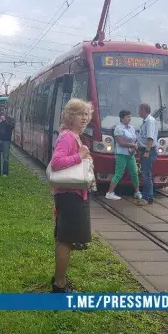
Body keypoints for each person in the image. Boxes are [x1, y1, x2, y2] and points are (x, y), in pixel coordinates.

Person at [48, 98, 93, 293]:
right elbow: (57, 162)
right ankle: (59, 284)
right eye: (79, 114)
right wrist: (80, 156)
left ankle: (60, 278)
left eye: (86, 114)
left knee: (65, 239)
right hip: (69, 195)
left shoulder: (73, 136)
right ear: (70, 116)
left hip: (73, 194)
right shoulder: (67, 137)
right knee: (65, 240)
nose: (83, 118)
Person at [105, 110, 143, 201]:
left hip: (130, 154)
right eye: (127, 117)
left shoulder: (131, 128)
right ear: (122, 118)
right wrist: (132, 145)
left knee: (134, 172)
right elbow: (121, 142)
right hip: (121, 154)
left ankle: (137, 192)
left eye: (130, 117)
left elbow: (135, 139)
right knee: (119, 173)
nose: (129, 119)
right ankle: (109, 193)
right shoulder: (118, 128)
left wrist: (134, 147)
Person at [138, 103, 158, 205]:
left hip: (148, 151)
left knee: (146, 175)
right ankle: (148, 196)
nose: (138, 112)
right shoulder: (145, 121)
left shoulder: (149, 121)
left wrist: (147, 151)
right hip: (145, 150)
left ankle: (147, 198)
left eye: (139, 110)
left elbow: (150, 137)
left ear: (143, 110)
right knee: (146, 174)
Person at [0, 106, 15, 176]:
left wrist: (5, 121)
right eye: (0, 110)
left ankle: (5, 173)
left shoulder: (10, 118)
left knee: (5, 158)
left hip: (6, 141)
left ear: (6, 110)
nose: (1, 111)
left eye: (3, 109)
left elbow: (12, 126)